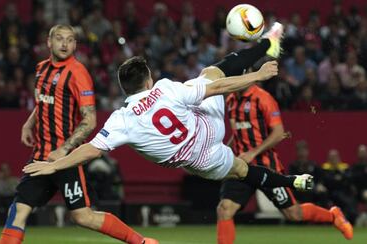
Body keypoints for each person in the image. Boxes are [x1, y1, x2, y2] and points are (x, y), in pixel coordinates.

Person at [25, 23, 314, 218]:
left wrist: (54, 164)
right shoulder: (165, 89)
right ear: (149, 79)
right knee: (212, 73)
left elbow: (88, 151)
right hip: (209, 129)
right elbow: (218, 88)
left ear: (125, 89)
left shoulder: (121, 119)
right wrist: (258, 75)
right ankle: (266, 45)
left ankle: (293, 181)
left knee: (242, 170)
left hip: (200, 162)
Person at [0, 24, 157, 244]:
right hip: (41, 157)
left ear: (75, 44)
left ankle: (141, 242)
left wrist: (63, 149)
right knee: (18, 211)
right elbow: (44, 100)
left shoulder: (78, 73)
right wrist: (29, 122)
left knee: (83, 216)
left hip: (67, 161)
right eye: (60, 39)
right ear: (49, 42)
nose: (64, 44)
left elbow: (90, 120)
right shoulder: (41, 69)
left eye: (70, 40)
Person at [216, 70, 353, 243]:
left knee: (294, 214)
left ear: (249, 75)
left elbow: (279, 133)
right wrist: (223, 153)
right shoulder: (230, 100)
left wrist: (253, 152)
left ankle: (333, 216)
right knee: (224, 209)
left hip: (266, 166)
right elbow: (238, 134)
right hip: (241, 167)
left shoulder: (263, 98)